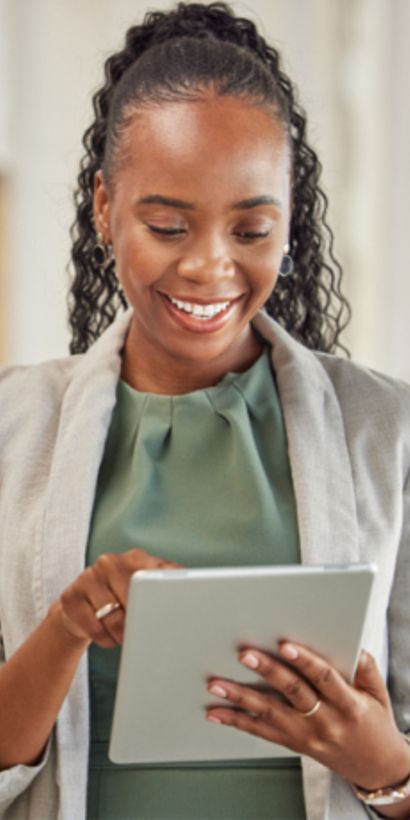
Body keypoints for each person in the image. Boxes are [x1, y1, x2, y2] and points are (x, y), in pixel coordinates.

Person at [0, 2, 409, 818]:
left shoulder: (385, 431)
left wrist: (384, 767)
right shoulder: (13, 428)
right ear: (105, 208)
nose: (210, 267)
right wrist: (65, 628)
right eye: (166, 224)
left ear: (291, 218)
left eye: (252, 228)